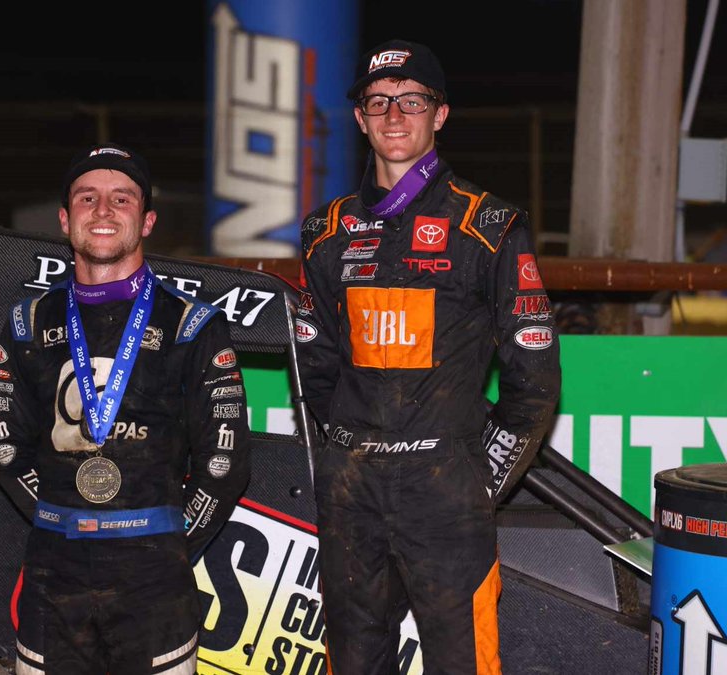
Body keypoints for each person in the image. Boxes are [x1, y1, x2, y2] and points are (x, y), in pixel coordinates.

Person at [298, 40, 561, 673]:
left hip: (446, 493)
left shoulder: (489, 224)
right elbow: (315, 370)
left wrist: (478, 479)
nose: (395, 115)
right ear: (360, 118)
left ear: (439, 114)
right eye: (379, 102)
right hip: (351, 496)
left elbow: (534, 381)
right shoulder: (324, 231)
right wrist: (339, 463)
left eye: (412, 101)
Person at [0, 142, 251, 673]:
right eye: (87, 198)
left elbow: (224, 465)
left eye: (122, 199)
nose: (103, 211)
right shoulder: (27, 323)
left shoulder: (191, 325)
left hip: (156, 583)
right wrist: (63, 520)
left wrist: (167, 542)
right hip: (52, 579)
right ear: (65, 219)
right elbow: (5, 448)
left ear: (148, 220)